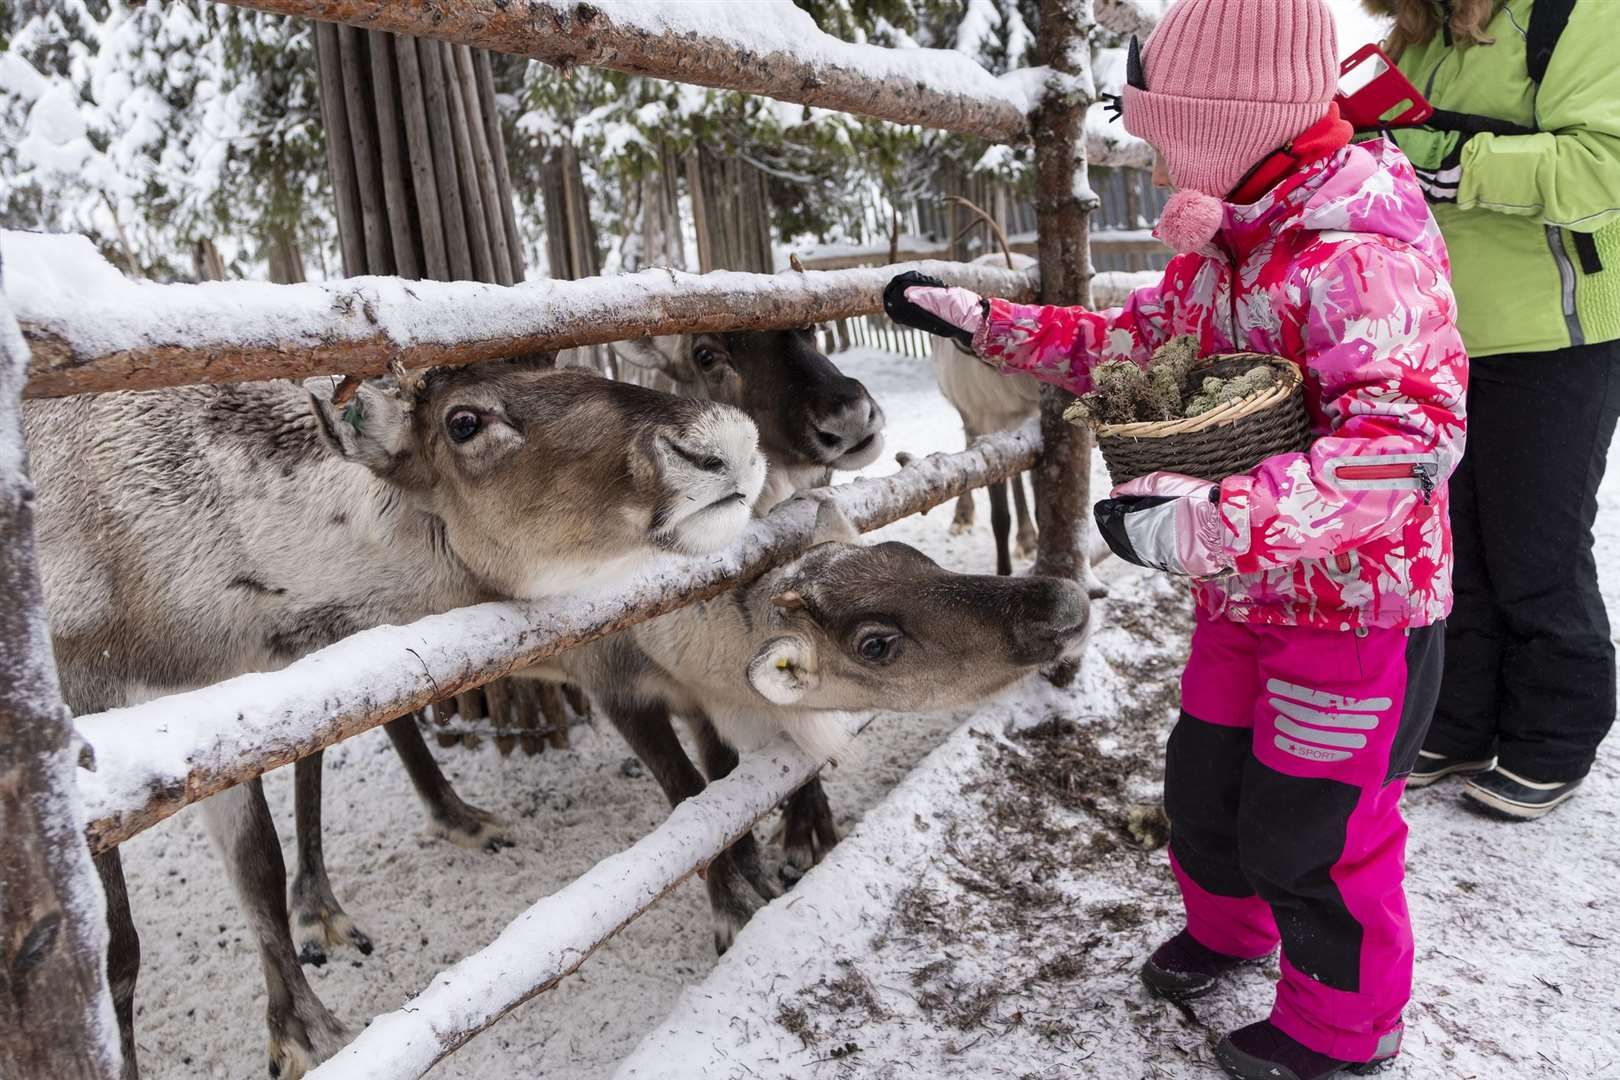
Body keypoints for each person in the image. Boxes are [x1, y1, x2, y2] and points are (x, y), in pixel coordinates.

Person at [884, 1, 1467, 1077]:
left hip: (1353, 613)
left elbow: (1409, 444)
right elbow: (1133, 346)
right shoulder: (1232, 244)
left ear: (1229, 124)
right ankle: (1231, 931)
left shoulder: (1358, 254)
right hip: (1244, 595)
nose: (1150, 161)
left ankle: (1346, 1029)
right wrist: (986, 324)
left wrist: (1210, 519)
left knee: (1318, 831)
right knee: (1206, 788)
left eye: (1164, 136)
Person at [1364, 0, 1620, 820]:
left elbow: (1605, 162)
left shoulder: (1580, 14)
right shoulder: (1421, 29)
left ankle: (1554, 738)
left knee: (1535, 544)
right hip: (1441, 334)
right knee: (1452, 543)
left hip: (1557, 331)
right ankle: (1463, 718)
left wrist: (1460, 164)